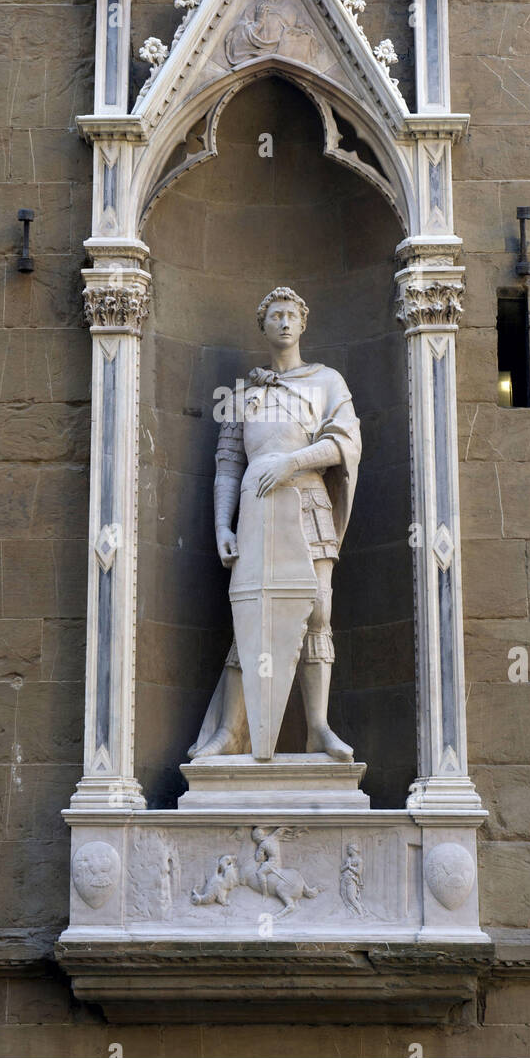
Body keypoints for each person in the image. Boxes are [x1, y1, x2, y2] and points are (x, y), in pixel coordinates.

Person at [188, 286, 361, 762]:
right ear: (262, 326)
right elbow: (228, 463)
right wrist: (223, 526)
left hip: (307, 501)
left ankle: (319, 729)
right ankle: (229, 731)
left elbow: (344, 443)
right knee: (251, 616)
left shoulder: (326, 381)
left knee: (318, 611)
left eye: (292, 314)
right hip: (255, 512)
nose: (284, 322)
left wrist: (290, 463)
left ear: (303, 324)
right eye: (275, 315)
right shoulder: (242, 394)